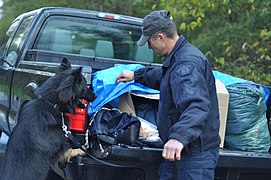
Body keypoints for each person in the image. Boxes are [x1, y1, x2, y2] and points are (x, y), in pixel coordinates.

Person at [116, 10, 220, 180]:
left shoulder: (186, 64)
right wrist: (136, 76)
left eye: (149, 42)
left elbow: (197, 106)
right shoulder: (178, 59)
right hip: (179, 152)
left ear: (160, 37)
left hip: (193, 156)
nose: (149, 47)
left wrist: (178, 138)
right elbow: (165, 77)